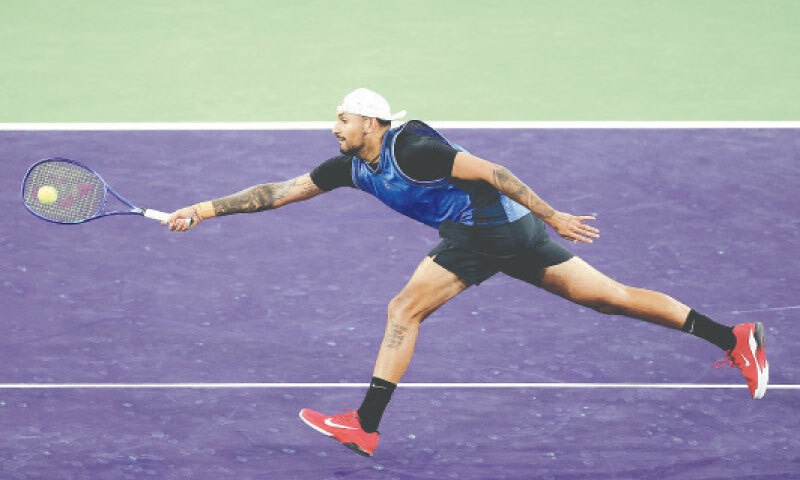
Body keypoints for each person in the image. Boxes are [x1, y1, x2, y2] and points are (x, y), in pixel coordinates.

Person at [165, 88, 769, 457]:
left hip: (489, 230)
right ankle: (732, 336)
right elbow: (279, 191)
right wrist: (201, 209)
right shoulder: (353, 167)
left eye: (342, 119)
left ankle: (365, 426)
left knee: (404, 311)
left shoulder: (415, 147)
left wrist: (552, 213)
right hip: (506, 234)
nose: (334, 127)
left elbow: (493, 170)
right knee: (609, 298)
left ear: (370, 123)